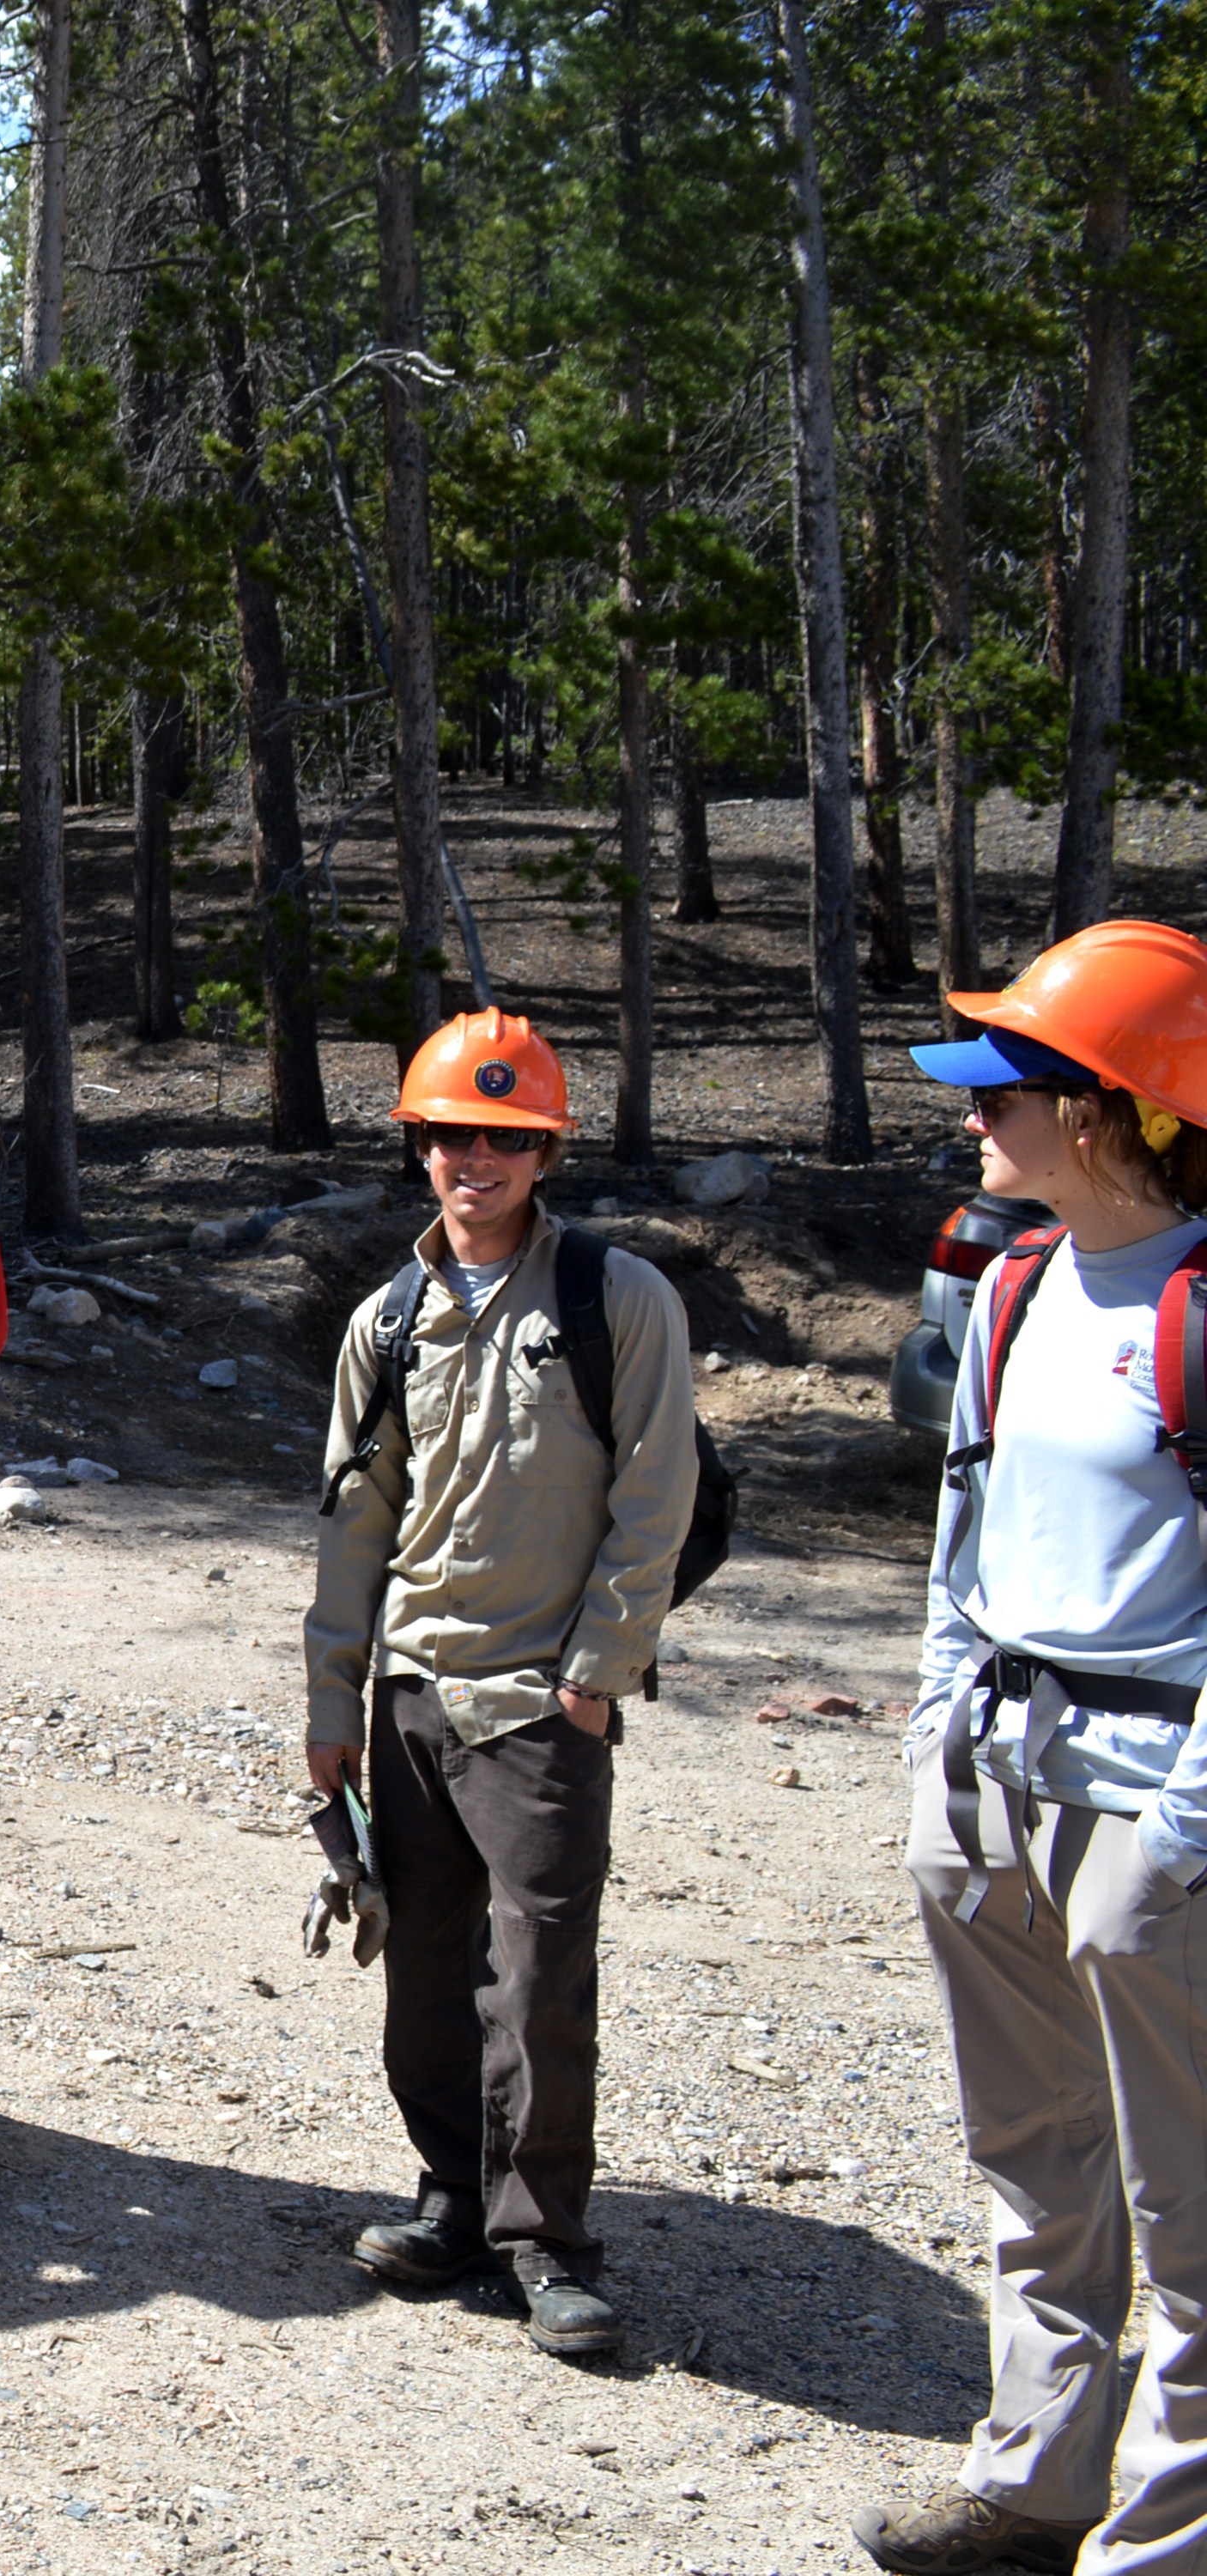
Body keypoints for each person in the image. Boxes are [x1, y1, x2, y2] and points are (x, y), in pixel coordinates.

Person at [852, 923, 1207, 2576]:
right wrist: (936, 1738)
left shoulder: (1202, 1307)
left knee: (1184, 2210)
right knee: (1032, 2166)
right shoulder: (1010, 1281)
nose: (975, 1115)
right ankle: (1034, 2482)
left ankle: (1157, 2548)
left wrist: (1189, 1825)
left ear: (1116, 1108)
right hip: (991, 1785)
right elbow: (962, 1531)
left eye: (1012, 1088)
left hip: (1155, 1816)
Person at [304, 1007, 694, 2359]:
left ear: (544, 1153)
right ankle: (451, 2197)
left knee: (537, 1983)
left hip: (541, 1708)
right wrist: (329, 1712)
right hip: (409, 1698)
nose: (476, 1159)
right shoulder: (387, 1321)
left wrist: (596, 1675)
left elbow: (657, 1496)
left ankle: (550, 2243)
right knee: (422, 1970)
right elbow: (354, 1526)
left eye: (506, 1138)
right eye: (454, 1135)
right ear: (419, 1146)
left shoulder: (615, 1300)